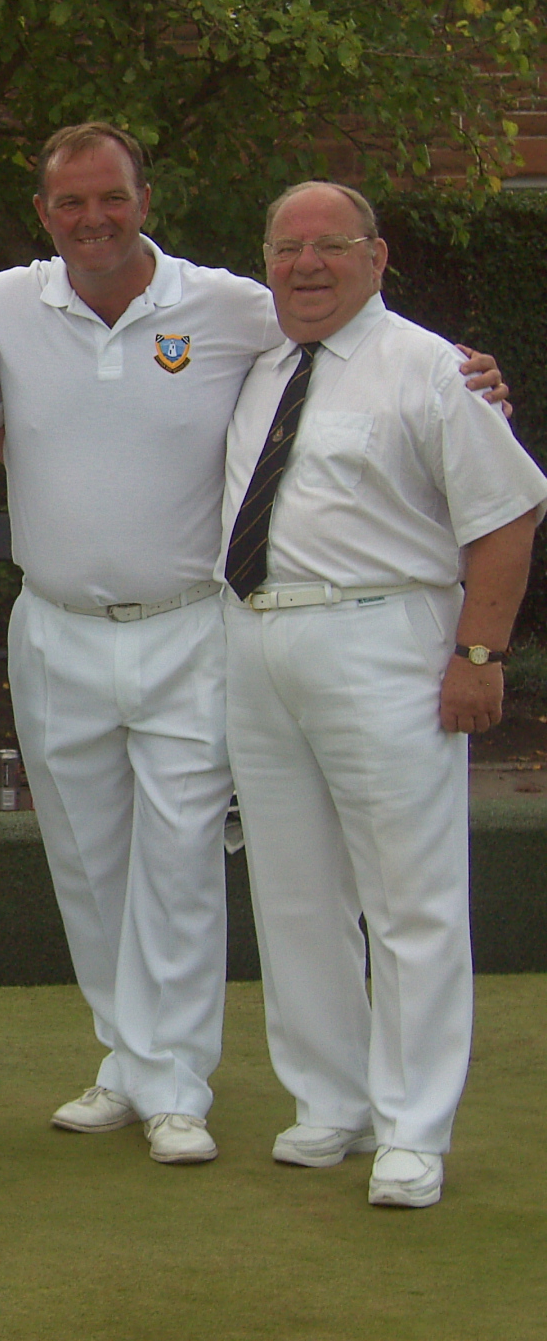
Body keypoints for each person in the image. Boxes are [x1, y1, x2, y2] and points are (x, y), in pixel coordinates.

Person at [0, 125, 508, 1166]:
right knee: (94, 868)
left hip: (195, 629)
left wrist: (462, 366)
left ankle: (182, 1085)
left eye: (111, 197)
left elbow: (360, 332)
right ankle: (130, 1065)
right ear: (43, 213)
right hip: (64, 628)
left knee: (180, 862)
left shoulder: (232, 307)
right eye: (70, 203)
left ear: (144, 198)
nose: (93, 219)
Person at [220, 181, 543, 1208]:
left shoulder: (433, 370)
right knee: (295, 890)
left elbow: (506, 515)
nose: (305, 264)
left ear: (376, 255)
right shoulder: (258, 362)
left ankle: (413, 1127)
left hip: (382, 640)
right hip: (258, 638)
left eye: (329, 245)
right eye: (285, 247)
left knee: (408, 897)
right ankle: (330, 1101)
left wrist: (478, 657)